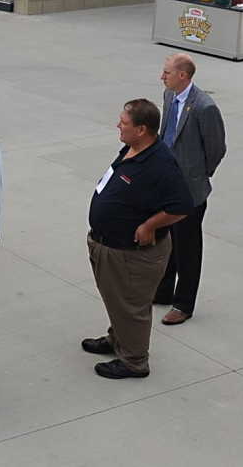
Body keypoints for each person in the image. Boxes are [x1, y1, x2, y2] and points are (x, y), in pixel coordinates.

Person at [82, 99, 193, 379]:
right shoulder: (133, 148)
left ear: (142, 129)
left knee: (131, 305)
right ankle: (117, 339)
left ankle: (134, 360)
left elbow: (182, 206)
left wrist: (149, 225)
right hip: (110, 246)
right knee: (118, 300)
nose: (118, 125)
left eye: (124, 122)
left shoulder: (161, 164)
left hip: (131, 254)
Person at [154, 53, 227, 325]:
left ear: (182, 75)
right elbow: (166, 136)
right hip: (168, 185)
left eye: (167, 72)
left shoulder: (204, 108)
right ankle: (163, 291)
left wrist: (199, 174)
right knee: (168, 240)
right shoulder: (169, 97)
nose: (162, 77)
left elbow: (217, 149)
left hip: (190, 191)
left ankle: (183, 304)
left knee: (187, 247)